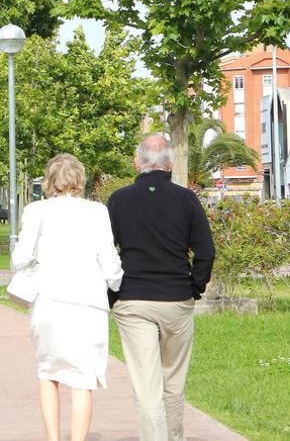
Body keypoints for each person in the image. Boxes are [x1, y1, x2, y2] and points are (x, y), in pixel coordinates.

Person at [106, 134, 216, 440]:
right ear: (169, 163)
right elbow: (206, 251)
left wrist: (113, 294)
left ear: (137, 162)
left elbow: (105, 253)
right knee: (173, 383)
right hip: (176, 299)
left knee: (147, 386)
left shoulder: (118, 200)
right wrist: (195, 288)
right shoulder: (187, 199)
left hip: (134, 300)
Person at [13, 153, 123, 441]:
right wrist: (116, 283)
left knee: (48, 373)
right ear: (79, 180)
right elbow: (109, 261)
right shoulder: (97, 211)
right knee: (82, 380)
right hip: (87, 305)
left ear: (49, 180)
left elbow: (20, 258)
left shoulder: (35, 211)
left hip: (48, 302)